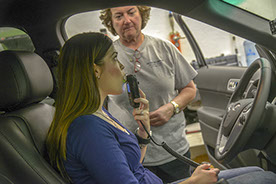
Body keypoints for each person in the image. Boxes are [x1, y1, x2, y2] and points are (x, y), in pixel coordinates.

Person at [46, 32, 276, 184]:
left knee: (258, 173)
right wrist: (193, 182)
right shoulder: (87, 129)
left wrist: (144, 133)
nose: (121, 66)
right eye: (114, 58)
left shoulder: (97, 113)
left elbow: (130, 167)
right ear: (95, 70)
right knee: (266, 179)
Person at [100, 5, 197, 183]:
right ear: (111, 22)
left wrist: (171, 107)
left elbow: (190, 89)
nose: (127, 20)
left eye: (131, 13)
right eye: (119, 16)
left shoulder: (164, 48)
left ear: (141, 14)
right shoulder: (108, 57)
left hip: (172, 150)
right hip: (131, 153)